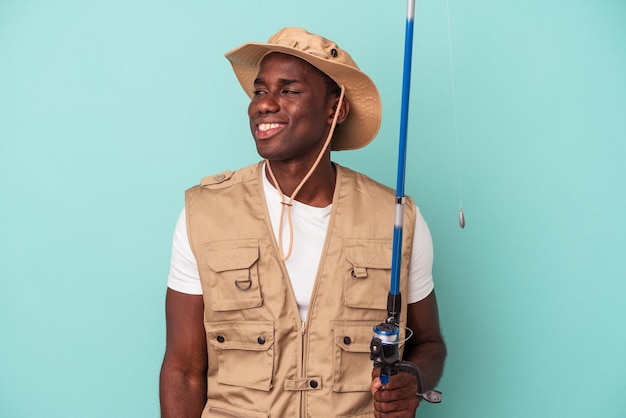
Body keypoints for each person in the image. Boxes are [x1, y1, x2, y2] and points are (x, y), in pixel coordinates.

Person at [159, 27, 446, 418]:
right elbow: (184, 369)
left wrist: (413, 380)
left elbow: (429, 344)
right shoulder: (206, 213)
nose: (263, 104)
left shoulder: (397, 220)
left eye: (288, 90)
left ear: (335, 109)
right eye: (260, 91)